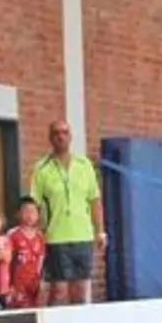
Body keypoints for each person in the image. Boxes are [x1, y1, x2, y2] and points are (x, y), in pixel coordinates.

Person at [30, 119, 105, 306]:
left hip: (83, 235)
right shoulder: (41, 169)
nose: (60, 136)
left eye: (64, 132)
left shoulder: (84, 164)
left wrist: (100, 231)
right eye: (56, 133)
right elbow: (34, 205)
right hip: (55, 237)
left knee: (80, 291)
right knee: (58, 291)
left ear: (70, 137)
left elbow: (95, 200)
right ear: (50, 138)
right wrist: (36, 237)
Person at [7, 196, 46, 309]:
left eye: (33, 212)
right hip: (17, 283)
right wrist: (9, 284)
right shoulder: (12, 234)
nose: (29, 215)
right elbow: (8, 261)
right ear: (18, 214)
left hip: (34, 283)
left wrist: (41, 281)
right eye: (26, 211)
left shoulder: (40, 236)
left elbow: (41, 261)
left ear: (38, 215)